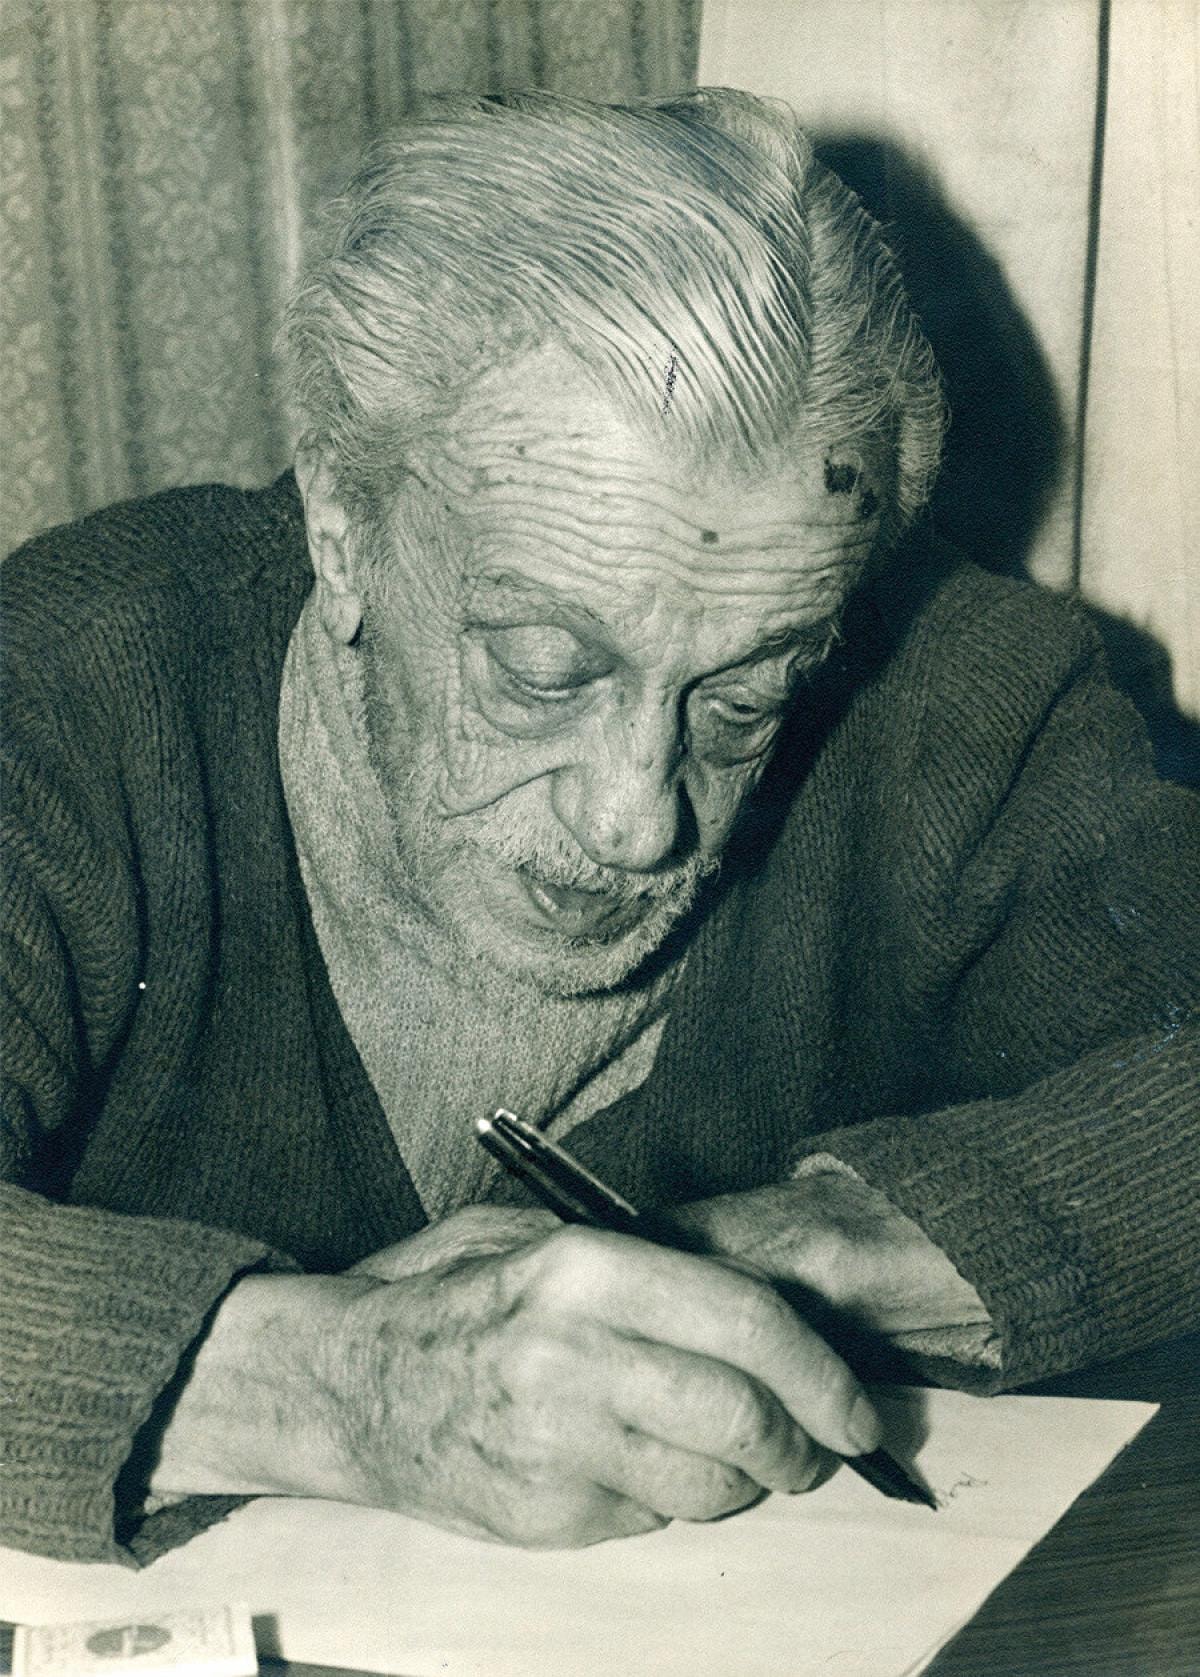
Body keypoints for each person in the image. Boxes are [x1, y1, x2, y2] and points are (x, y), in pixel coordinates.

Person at [2, 89, 1197, 1568]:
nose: (637, 816)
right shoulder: (74, 684)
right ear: (344, 530)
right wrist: (346, 1381)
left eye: (746, 698)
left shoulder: (958, 699)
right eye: (542, 668)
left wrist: (806, 1259)